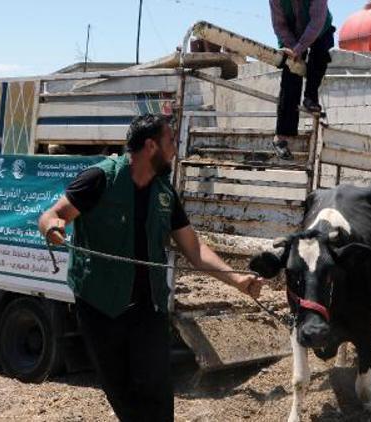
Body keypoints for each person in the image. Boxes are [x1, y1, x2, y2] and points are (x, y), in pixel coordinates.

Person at [38, 113, 266, 421]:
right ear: (150, 146)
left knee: (157, 395)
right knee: (124, 395)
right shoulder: (100, 179)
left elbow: (195, 249)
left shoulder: (164, 193)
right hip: (101, 307)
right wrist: (53, 227)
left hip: (149, 308)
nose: (175, 148)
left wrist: (237, 280)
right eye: (170, 141)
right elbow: (53, 214)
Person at [270, 0, 335, 160]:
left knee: (319, 57)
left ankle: (310, 98)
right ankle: (282, 136)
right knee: (290, 74)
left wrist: (300, 48)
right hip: (291, 35)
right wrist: (293, 49)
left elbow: (316, 22)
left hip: (319, 31)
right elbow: (279, 25)